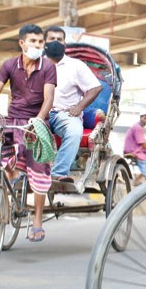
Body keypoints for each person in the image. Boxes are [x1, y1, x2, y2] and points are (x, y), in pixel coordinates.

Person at [0, 24, 56, 242]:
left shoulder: (47, 67)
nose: (37, 45)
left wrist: (38, 120)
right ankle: (6, 180)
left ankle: (36, 218)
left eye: (40, 42)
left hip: (36, 122)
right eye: (33, 41)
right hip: (12, 119)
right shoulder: (9, 65)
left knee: (38, 165)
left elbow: (49, 99)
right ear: (22, 43)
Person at [43, 26, 101, 185]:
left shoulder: (76, 65)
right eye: (51, 39)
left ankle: (58, 173)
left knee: (75, 131)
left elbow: (95, 88)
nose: (55, 42)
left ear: (64, 44)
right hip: (41, 114)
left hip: (65, 114)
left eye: (59, 39)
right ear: (44, 43)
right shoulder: (36, 65)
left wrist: (79, 107)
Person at [124, 112, 146, 185]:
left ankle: (139, 179)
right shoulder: (138, 128)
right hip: (133, 149)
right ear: (141, 117)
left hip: (136, 148)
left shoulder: (139, 127)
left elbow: (144, 141)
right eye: (144, 118)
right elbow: (142, 143)